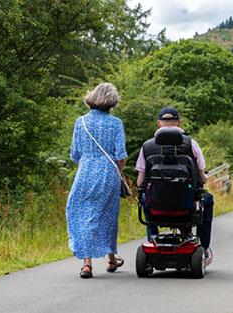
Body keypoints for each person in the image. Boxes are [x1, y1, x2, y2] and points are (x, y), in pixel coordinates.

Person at [135, 107, 214, 262]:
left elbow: (140, 179)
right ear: (178, 123)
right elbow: (202, 177)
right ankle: (203, 247)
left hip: (156, 205)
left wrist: (141, 191)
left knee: (145, 199)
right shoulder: (192, 144)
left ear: (159, 124)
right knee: (208, 201)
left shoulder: (147, 146)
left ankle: (154, 237)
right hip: (186, 205)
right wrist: (204, 179)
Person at [66, 83, 128, 279]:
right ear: (112, 102)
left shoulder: (80, 122)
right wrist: (118, 172)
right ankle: (111, 259)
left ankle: (87, 264)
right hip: (109, 173)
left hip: (84, 171)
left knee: (79, 211)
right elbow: (121, 155)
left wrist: (87, 163)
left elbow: (75, 154)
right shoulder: (116, 123)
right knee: (107, 215)